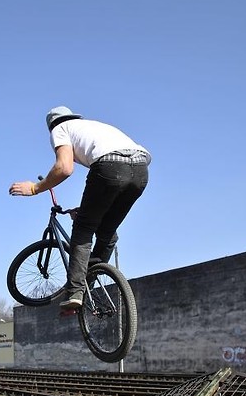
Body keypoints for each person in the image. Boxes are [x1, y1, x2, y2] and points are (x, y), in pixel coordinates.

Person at [9, 106, 151, 311]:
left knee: (83, 229)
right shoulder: (90, 126)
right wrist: (87, 208)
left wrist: (34, 188)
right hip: (140, 170)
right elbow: (110, 182)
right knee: (106, 232)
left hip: (110, 165)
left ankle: (75, 292)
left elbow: (64, 168)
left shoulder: (60, 129)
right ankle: (91, 281)